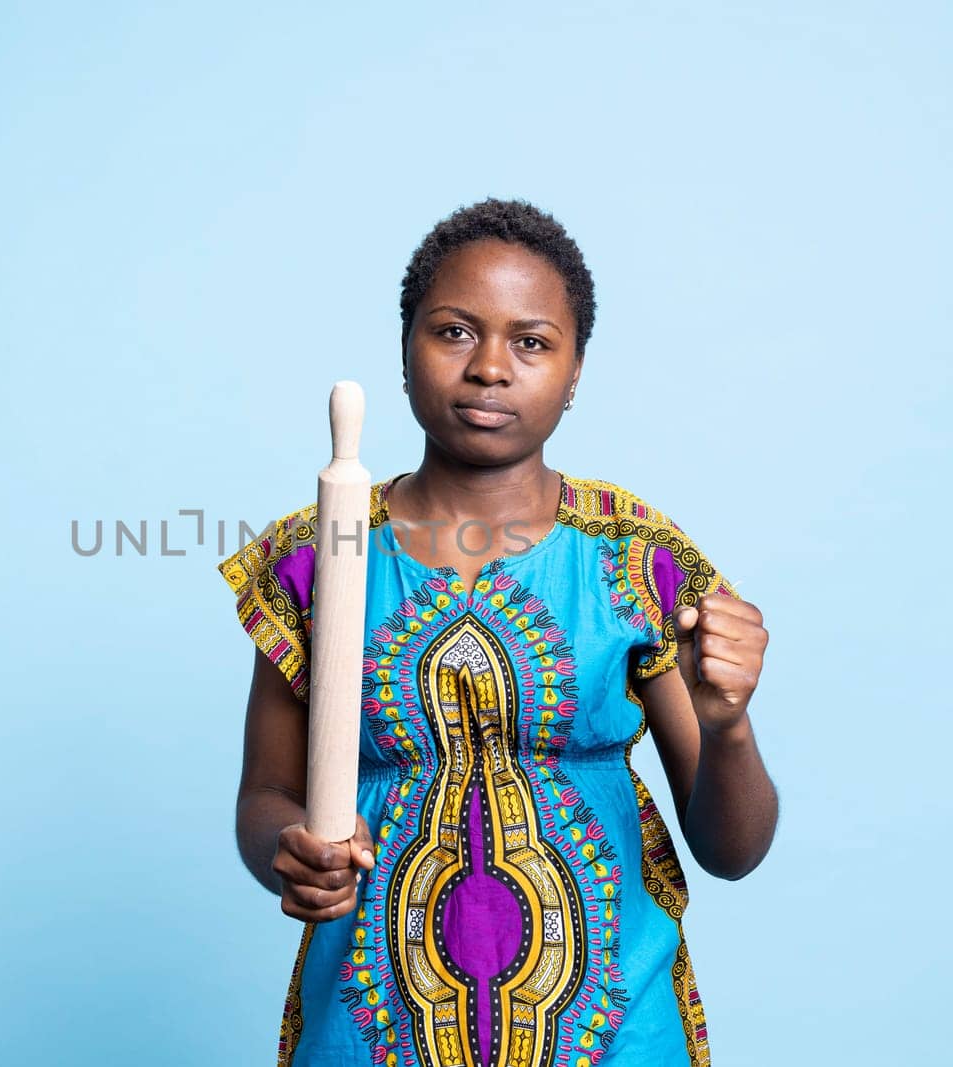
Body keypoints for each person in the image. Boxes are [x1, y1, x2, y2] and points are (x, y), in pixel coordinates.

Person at [216, 198, 777, 1067]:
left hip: (612, 1035)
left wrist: (730, 724)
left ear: (576, 369)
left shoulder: (635, 559)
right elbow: (263, 796)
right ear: (406, 352)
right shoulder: (318, 555)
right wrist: (286, 850)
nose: (489, 368)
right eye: (453, 332)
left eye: (532, 341)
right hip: (374, 1030)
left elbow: (733, 850)